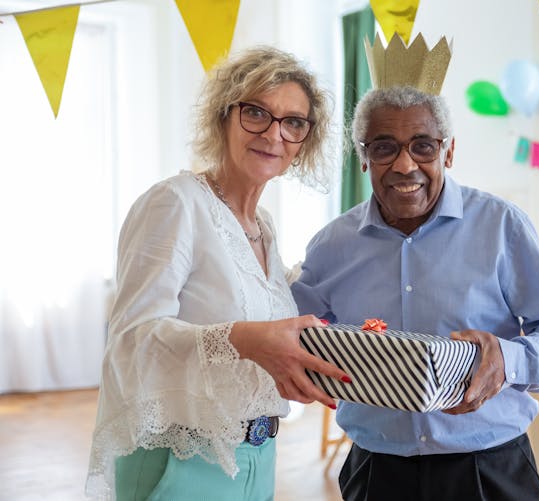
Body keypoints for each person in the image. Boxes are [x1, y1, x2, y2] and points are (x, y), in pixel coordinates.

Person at [291, 84, 539, 500]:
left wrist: (508, 360)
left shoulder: (502, 226)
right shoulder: (331, 246)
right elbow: (292, 337)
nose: (404, 164)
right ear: (364, 157)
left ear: (448, 152)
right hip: (377, 472)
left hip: (490, 469)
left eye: (423, 146)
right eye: (383, 148)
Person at [86, 47, 351, 500]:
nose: (274, 133)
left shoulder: (262, 226)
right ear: (223, 116)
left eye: (293, 122)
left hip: (258, 459)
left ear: (304, 139)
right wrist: (247, 339)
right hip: (181, 460)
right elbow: (131, 341)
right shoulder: (176, 202)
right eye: (256, 113)